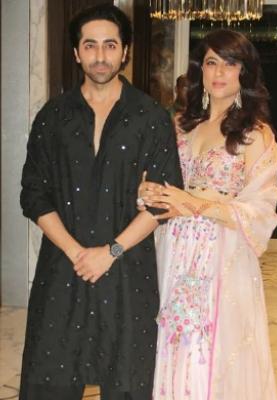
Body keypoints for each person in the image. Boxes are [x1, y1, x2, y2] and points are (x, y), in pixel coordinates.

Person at [18, 4, 182, 399]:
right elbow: (33, 194)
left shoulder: (150, 117)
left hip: (127, 272)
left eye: (110, 45)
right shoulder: (53, 117)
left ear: (125, 51)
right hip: (63, 269)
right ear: (76, 53)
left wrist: (110, 252)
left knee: (127, 383)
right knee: (50, 381)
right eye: (90, 45)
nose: (100, 56)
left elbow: (164, 201)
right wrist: (78, 253)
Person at [138, 29, 277, 399]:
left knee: (210, 350)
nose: (219, 72)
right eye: (211, 62)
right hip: (172, 249)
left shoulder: (255, 135)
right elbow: (158, 184)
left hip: (222, 255)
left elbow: (260, 209)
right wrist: (148, 193)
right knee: (170, 338)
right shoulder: (180, 126)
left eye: (230, 63)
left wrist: (196, 204)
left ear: (244, 72)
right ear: (199, 69)